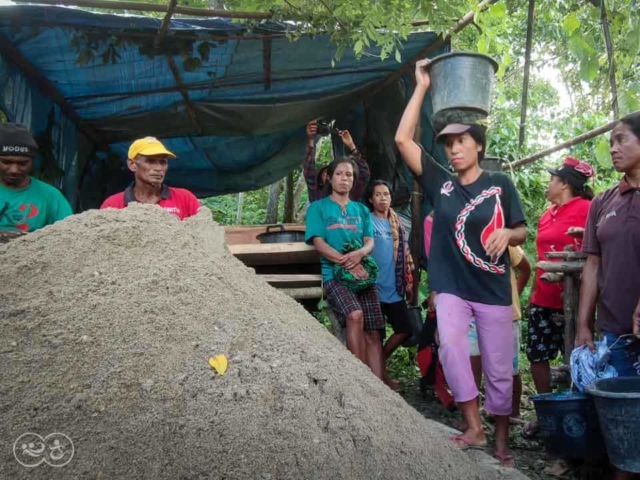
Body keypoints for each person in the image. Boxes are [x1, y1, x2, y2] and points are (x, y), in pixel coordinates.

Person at [395, 59, 527, 468]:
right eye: (448, 144)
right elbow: (402, 140)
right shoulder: (441, 183)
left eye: (461, 142)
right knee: (451, 347)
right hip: (451, 287)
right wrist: (421, 86)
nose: (453, 149)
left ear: (479, 146)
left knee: (500, 369)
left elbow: (523, 231)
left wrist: (508, 235)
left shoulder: (500, 184)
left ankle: (502, 435)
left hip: (491, 289)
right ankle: (474, 426)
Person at [576, 111, 640, 479]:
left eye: (622, 139)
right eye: (611, 141)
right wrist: (584, 324)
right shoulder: (603, 202)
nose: (613, 148)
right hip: (615, 330)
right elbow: (592, 267)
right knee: (623, 425)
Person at [521, 156, 594, 439]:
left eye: (552, 179)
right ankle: (546, 412)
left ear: (564, 184)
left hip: (575, 302)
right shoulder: (547, 213)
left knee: (577, 358)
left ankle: (577, 417)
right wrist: (533, 297)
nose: (548, 184)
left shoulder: (588, 209)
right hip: (543, 298)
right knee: (537, 355)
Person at [305, 157, 384, 379]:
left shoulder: (361, 210)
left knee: (374, 332)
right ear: (329, 178)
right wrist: (346, 263)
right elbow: (319, 245)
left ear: (353, 180)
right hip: (335, 276)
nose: (344, 179)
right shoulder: (318, 208)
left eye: (349, 175)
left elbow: (369, 241)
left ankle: (383, 393)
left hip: (363, 274)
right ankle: (359, 381)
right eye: (339, 174)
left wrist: (360, 254)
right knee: (355, 315)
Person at [468, 246, 531, 420]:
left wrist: (513, 295)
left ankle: (513, 412)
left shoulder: (505, 241)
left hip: (506, 316)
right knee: (472, 365)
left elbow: (525, 268)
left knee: (509, 370)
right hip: (474, 314)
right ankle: (472, 417)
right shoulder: (462, 239)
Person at [367, 180, 415, 390]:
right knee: (376, 335)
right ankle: (381, 377)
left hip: (395, 287)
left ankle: (379, 361)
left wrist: (409, 283)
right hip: (373, 288)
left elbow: (406, 255)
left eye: (386, 194)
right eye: (378, 194)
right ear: (371, 199)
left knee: (404, 328)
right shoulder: (367, 221)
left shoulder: (398, 223)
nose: (383, 198)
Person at [0, 123, 72, 241]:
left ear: (33, 162)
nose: (14, 170)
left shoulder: (51, 196)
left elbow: (68, 236)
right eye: (6, 162)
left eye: (23, 164)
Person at [101, 137, 201, 219]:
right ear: (132, 165)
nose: (159, 168)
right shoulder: (112, 205)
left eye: (163, 162)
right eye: (150, 161)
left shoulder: (185, 198)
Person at [303, 120, 370, 202]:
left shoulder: (352, 195)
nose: (330, 175)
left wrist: (351, 145)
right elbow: (309, 172)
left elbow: (364, 174)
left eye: (337, 173)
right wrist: (311, 139)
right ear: (321, 182)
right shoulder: (318, 197)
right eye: (326, 173)